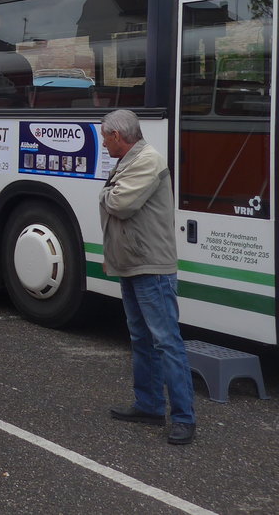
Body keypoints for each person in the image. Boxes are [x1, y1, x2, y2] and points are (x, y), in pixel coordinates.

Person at [99, 109, 196, 445]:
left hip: (151, 267)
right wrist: (111, 257)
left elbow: (120, 204)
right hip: (133, 264)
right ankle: (150, 407)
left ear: (117, 135)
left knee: (167, 342)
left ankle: (184, 418)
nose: (103, 144)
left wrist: (104, 195)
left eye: (105, 137)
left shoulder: (147, 160)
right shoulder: (131, 159)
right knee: (141, 339)